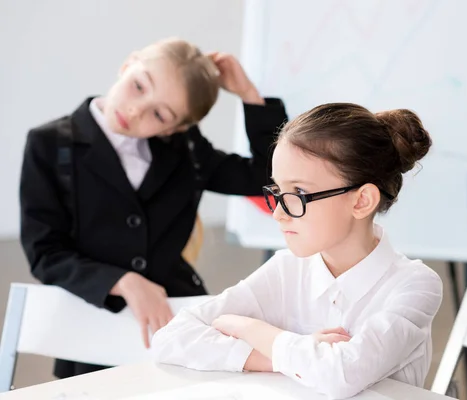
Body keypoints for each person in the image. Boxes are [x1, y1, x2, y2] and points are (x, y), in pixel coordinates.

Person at [18, 37, 288, 379]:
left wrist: (251, 96)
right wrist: (125, 282)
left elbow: (268, 176)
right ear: (128, 64)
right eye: (138, 86)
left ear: (175, 127)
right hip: (91, 331)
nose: (135, 110)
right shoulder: (50, 144)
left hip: (179, 326)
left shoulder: (185, 149)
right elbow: (46, 253)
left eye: (160, 114)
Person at [151, 103, 443, 399]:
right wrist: (281, 360)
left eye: (299, 193)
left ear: (361, 201)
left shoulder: (414, 285)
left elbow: (339, 375)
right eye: (277, 191)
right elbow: (171, 338)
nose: (278, 213)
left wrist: (251, 329)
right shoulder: (287, 268)